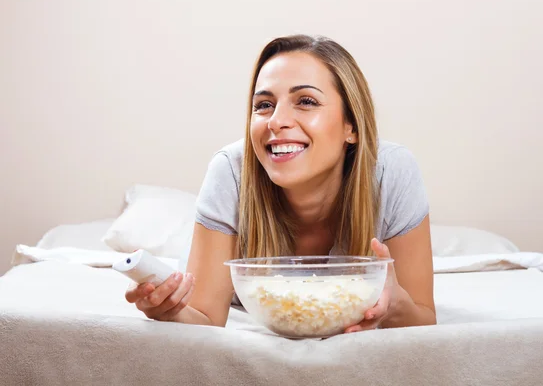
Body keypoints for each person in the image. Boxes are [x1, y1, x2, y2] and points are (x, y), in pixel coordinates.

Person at [125, 34, 436, 332]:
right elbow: (205, 319)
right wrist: (171, 310)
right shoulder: (231, 172)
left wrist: (395, 304)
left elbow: (424, 319)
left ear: (350, 125)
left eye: (306, 101)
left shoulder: (392, 173)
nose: (275, 121)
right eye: (263, 105)